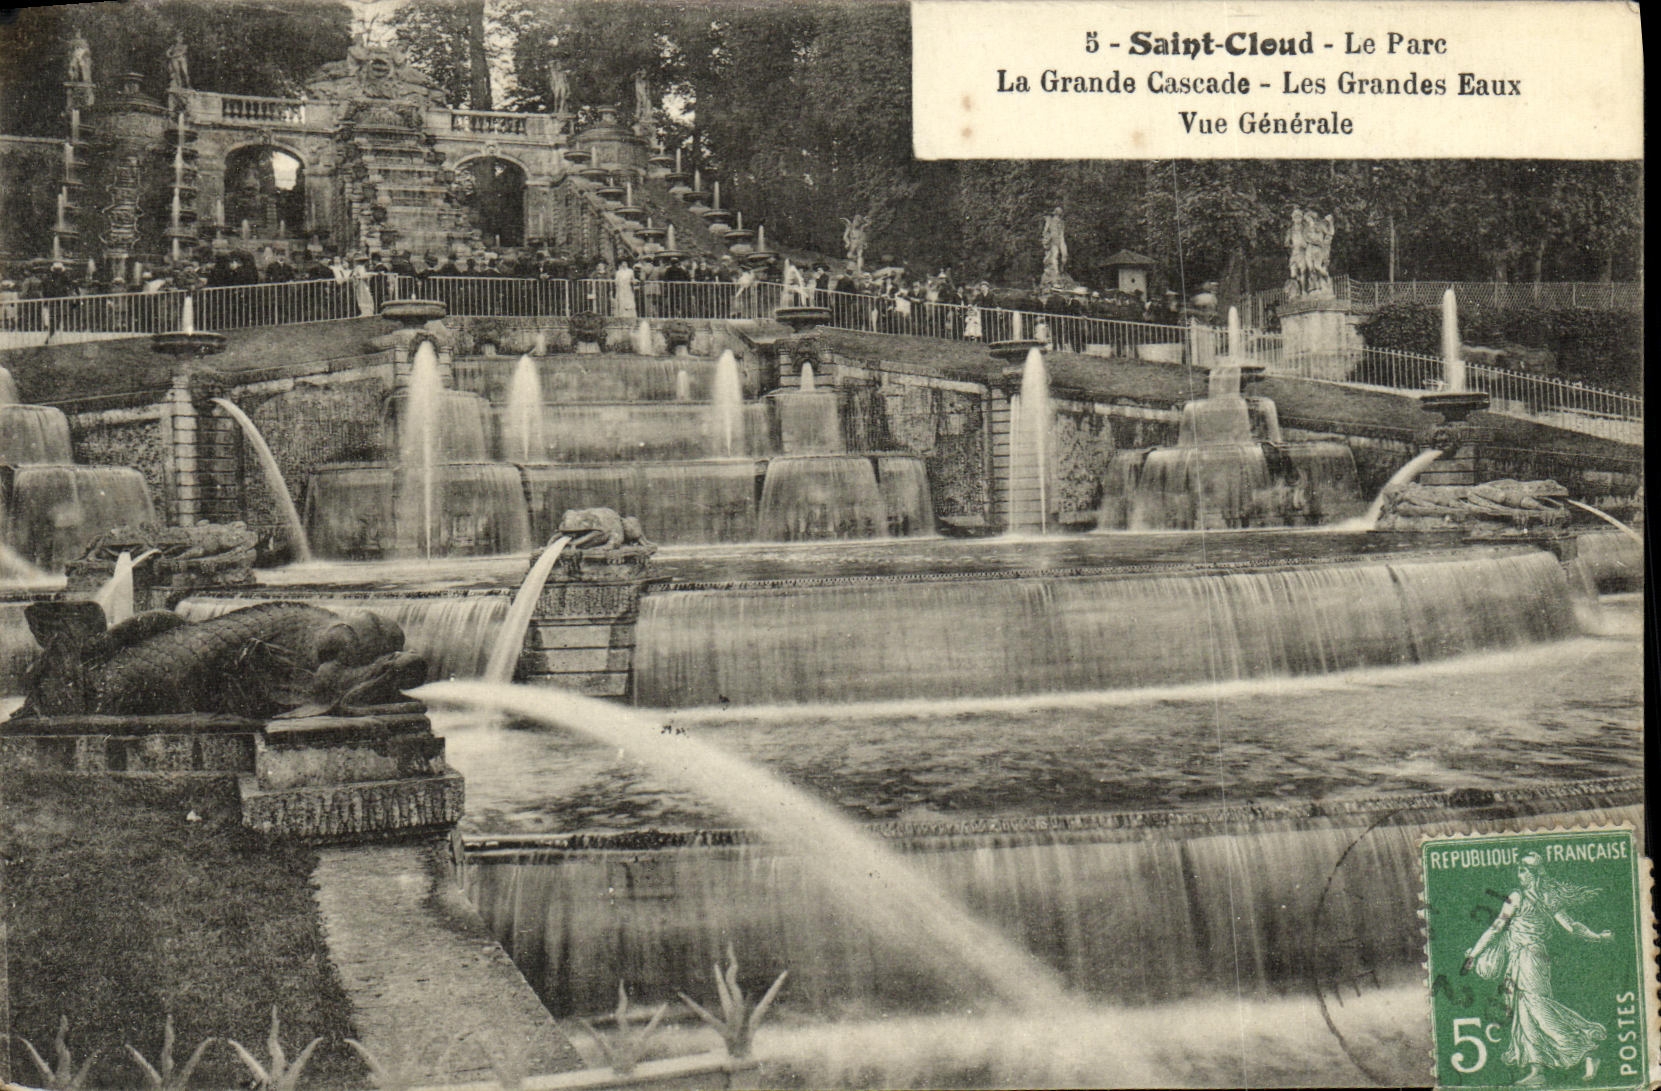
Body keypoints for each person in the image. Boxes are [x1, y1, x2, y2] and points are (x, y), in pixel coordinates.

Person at [1463, 852, 1611, 1087]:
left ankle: (1585, 1049)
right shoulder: (1547, 898)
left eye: (1522, 870)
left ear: (1532, 874)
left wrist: (1473, 954)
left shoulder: (1518, 897)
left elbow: (1496, 928)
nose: (1518, 874)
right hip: (1527, 959)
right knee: (1524, 1012)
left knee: (1538, 1008)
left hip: (1529, 959)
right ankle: (1537, 1069)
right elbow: (1571, 927)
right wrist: (1597, 936)